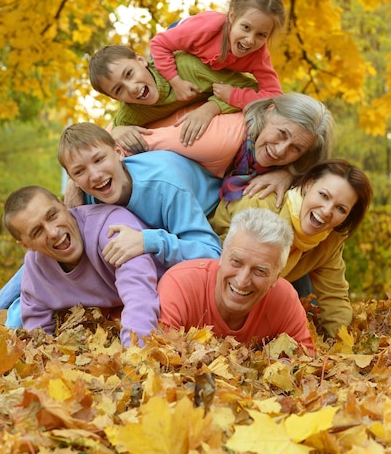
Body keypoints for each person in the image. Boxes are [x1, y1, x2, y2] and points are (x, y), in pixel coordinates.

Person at [0, 123, 224, 324]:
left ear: (119, 152)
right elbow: (41, 263)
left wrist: (148, 240)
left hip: (207, 213)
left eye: (98, 160)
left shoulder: (166, 185)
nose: (94, 175)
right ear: (73, 179)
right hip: (154, 240)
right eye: (80, 171)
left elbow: (212, 254)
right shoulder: (92, 193)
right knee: (43, 250)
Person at [210, 159, 373, 337]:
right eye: (324, 195)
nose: (327, 211)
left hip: (264, 285)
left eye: (340, 208)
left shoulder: (330, 238)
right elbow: (218, 265)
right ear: (308, 185)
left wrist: (342, 347)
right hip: (217, 276)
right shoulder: (262, 205)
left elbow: (334, 296)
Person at [2, 186, 166, 347]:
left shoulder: (110, 227)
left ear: (63, 205)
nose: (52, 232)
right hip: (115, 309)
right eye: (37, 231)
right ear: (26, 245)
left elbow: (139, 294)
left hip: (160, 290)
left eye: (52, 215)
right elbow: (38, 335)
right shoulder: (36, 267)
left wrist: (135, 356)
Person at [158, 208, 314, 354]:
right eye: (236, 262)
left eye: (259, 271)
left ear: (276, 277)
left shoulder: (284, 299)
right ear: (222, 256)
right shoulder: (180, 286)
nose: (242, 281)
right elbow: (158, 356)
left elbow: (305, 362)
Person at [150, 0, 285, 143]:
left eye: (261, 35)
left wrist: (233, 96)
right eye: (246, 27)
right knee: (162, 85)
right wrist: (175, 81)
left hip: (211, 71)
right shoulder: (206, 28)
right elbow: (159, 44)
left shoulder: (259, 54)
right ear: (232, 16)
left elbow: (274, 94)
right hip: (181, 36)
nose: (250, 39)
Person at [89, 44, 251, 173]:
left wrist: (211, 108)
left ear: (140, 60)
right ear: (115, 98)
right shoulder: (132, 110)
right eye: (118, 90)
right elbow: (112, 132)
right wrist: (118, 131)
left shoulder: (187, 67)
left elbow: (252, 88)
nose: (131, 88)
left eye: (129, 73)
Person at [219, 92, 336, 208]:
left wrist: (288, 176)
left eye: (296, 148)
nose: (280, 151)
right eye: (282, 133)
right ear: (269, 112)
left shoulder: (289, 182)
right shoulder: (227, 132)